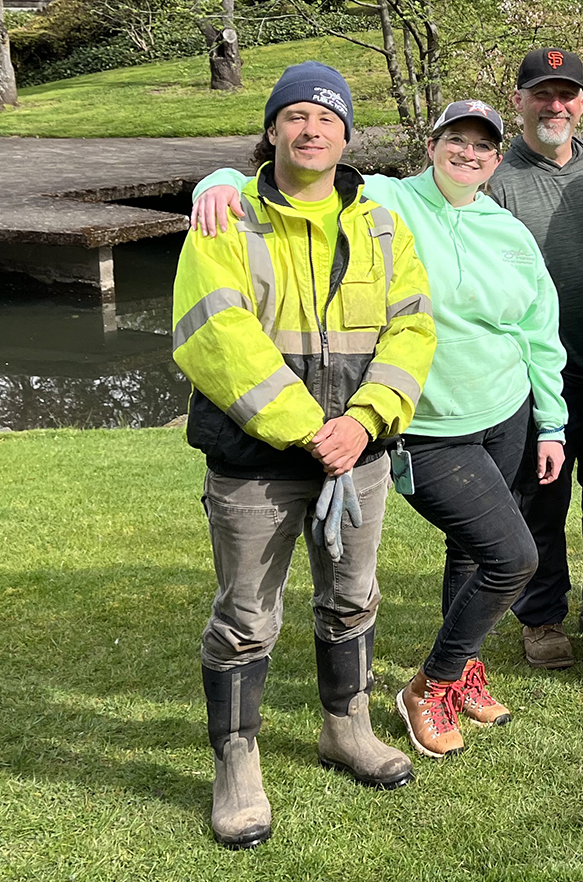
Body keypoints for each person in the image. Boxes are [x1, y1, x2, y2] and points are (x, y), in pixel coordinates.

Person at [190, 97, 567, 761]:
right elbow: (300, 170)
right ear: (432, 144)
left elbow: (537, 329)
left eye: (483, 146)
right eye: (457, 140)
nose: (469, 154)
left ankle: (465, 669)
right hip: (426, 422)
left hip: (505, 413)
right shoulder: (389, 199)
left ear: (497, 157)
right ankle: (434, 683)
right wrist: (218, 183)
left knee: (471, 552)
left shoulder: (506, 231)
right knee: (512, 557)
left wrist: (550, 422)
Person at [172, 61, 435, 849]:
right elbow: (214, 335)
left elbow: (414, 329)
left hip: (360, 454)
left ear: (347, 135)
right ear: (273, 130)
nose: (311, 129)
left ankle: (345, 728)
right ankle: (237, 764)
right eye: (295, 117)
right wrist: (308, 428)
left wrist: (364, 421)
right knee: (246, 618)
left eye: (326, 119)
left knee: (354, 599)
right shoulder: (228, 220)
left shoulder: (384, 226)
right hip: (258, 463)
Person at [484, 48, 583, 670]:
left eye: (567, 93)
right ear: (518, 99)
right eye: (543, 93)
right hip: (532, 374)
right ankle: (542, 616)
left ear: (580, 99)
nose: (556, 105)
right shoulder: (495, 179)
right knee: (541, 497)